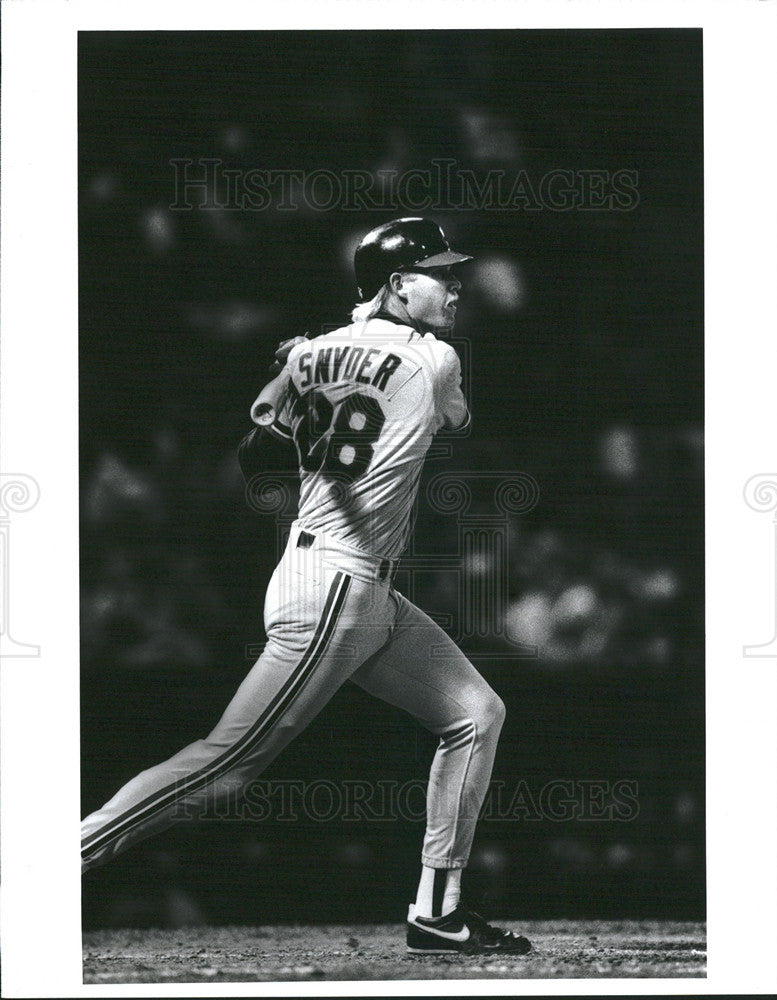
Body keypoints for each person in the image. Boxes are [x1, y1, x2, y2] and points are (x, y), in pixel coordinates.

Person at [81, 217, 531, 955]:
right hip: (334, 585)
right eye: (436, 274)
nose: (454, 287)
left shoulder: (310, 352)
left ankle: (437, 911)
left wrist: (304, 367)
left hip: (356, 586)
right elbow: (454, 418)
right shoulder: (435, 358)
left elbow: (255, 445)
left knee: (476, 713)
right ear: (395, 284)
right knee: (224, 765)